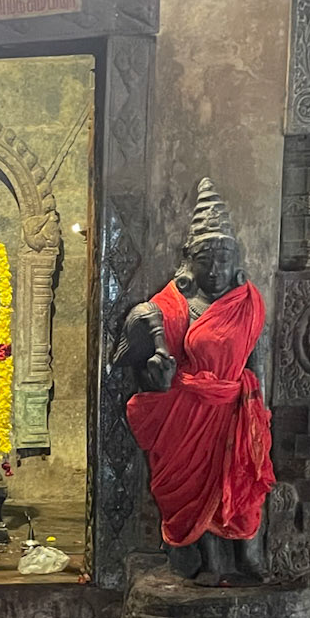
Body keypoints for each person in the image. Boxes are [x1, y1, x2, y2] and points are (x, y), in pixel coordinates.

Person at [116, 178, 274, 587]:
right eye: (207, 259)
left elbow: (256, 364)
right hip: (186, 413)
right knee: (190, 486)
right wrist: (156, 378)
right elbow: (136, 364)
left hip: (235, 410)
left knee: (237, 484)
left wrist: (259, 412)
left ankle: (244, 554)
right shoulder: (169, 308)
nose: (217, 270)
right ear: (189, 261)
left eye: (224, 259)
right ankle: (208, 560)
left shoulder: (247, 304)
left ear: (236, 261)